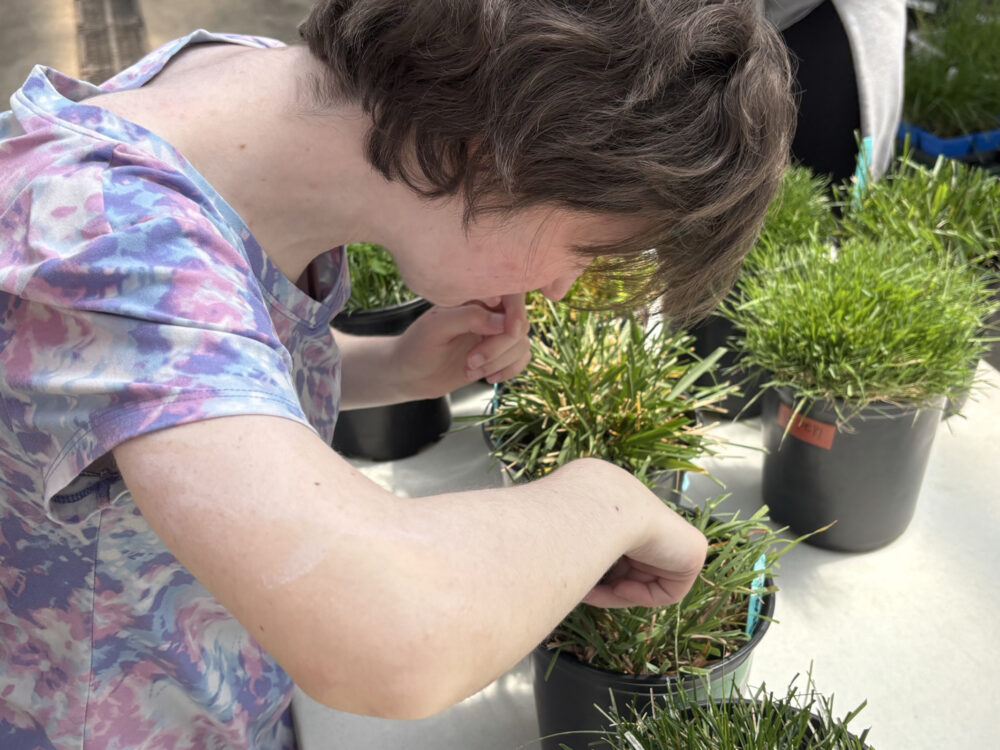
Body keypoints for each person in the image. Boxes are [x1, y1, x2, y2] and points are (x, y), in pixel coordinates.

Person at [0, 1, 794, 747]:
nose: (560, 288)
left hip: (225, 684)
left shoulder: (247, 95)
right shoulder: (114, 237)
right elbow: (385, 641)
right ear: (500, 151)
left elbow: (201, 371)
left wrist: (392, 366)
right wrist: (604, 501)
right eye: (589, 252)